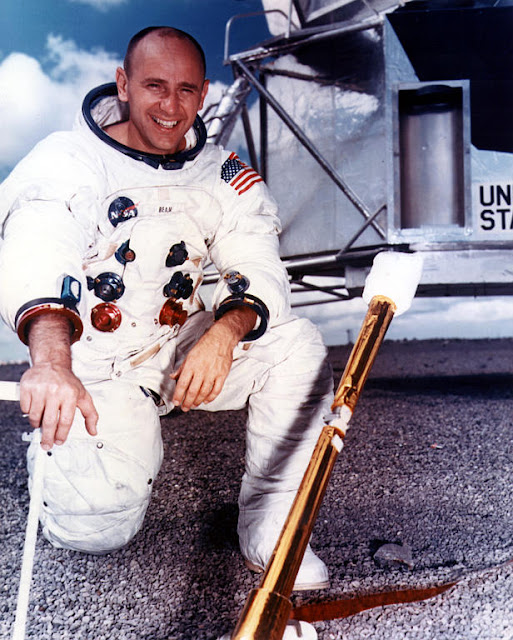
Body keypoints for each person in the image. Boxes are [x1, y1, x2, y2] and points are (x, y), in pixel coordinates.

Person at [0, 26, 333, 591]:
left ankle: (274, 522)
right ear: (123, 84)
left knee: (296, 346)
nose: (170, 106)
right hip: (94, 364)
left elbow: (257, 258)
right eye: (154, 85)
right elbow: (39, 248)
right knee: (96, 529)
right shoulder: (68, 160)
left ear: (204, 93)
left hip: (176, 348)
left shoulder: (222, 173)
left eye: (185, 90)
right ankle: (64, 458)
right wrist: (52, 363)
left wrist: (225, 332)